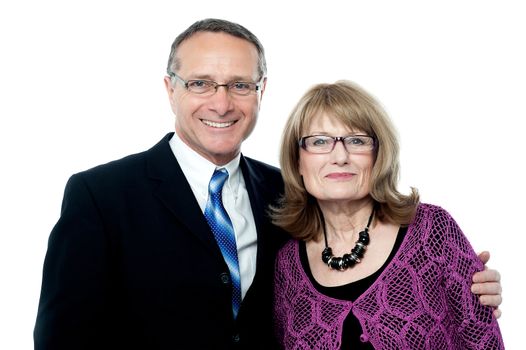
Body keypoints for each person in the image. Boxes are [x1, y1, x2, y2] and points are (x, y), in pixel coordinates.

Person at [33, 19, 502, 350]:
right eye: (201, 83)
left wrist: (463, 289)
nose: (221, 102)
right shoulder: (100, 196)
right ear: (169, 89)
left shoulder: (289, 194)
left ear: (261, 92)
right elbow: (61, 339)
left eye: (240, 85)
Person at [271, 80, 504, 349]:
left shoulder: (431, 230)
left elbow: (485, 340)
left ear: (378, 156)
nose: (340, 156)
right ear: (297, 160)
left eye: (356, 140)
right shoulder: (286, 264)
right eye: (319, 141)